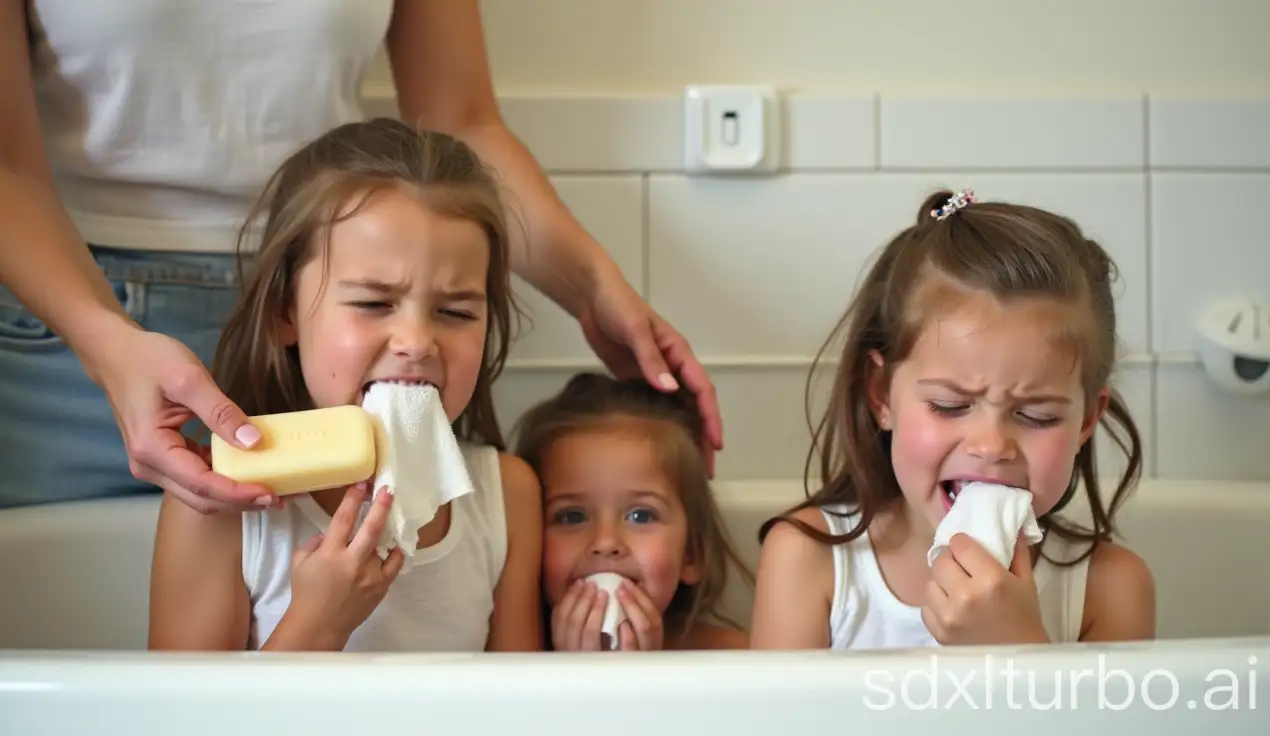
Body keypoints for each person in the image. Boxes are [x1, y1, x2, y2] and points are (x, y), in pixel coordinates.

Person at [0, 1, 721, 512]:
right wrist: (105, 344)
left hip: (332, 321)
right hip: (72, 331)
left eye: (457, 311)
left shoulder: (501, 493)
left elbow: (461, 121)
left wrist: (593, 287)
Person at [149, 118, 541, 652]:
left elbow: (522, 710)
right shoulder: (218, 505)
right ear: (286, 312)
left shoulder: (506, 497)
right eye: (373, 304)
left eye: (454, 311)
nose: (417, 341)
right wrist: (317, 626)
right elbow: (179, 726)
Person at [749, 189, 1156, 650]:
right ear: (882, 395)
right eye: (950, 405)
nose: (991, 445)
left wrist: (1018, 651)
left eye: (1036, 415)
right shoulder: (809, 561)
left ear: (1086, 421)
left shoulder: (1110, 590)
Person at [513, 372, 753, 651]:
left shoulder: (731, 660)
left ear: (692, 552)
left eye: (641, 515)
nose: (605, 543)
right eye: (572, 516)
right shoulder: (514, 653)